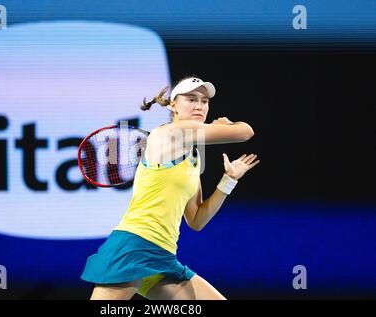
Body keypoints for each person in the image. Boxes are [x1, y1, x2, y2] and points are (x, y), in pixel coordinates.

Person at [81, 76, 260, 300]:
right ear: (174, 105)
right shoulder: (169, 133)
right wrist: (225, 125)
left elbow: (196, 219)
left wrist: (228, 180)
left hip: (162, 256)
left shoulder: (193, 158)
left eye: (204, 101)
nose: (199, 105)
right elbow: (245, 132)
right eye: (191, 99)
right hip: (134, 245)